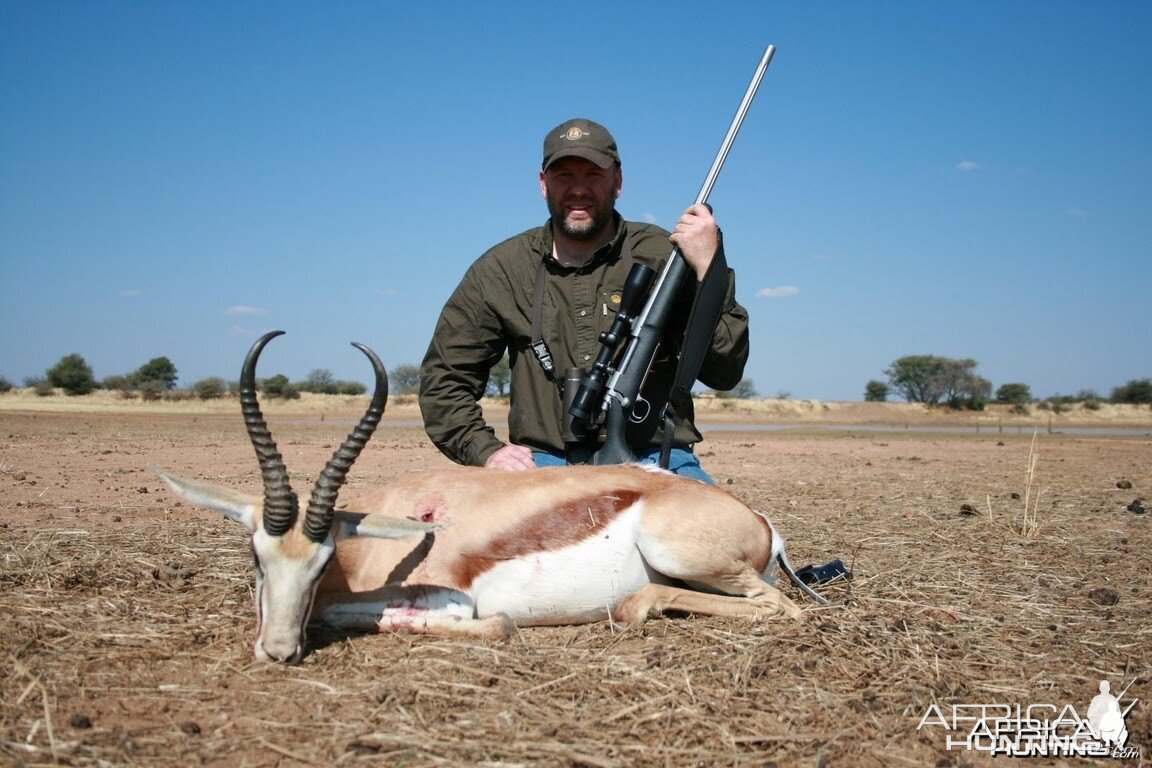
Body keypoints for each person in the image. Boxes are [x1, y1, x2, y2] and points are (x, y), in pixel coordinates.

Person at [419, 118, 749, 482]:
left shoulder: (666, 254)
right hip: (543, 463)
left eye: (593, 174)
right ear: (543, 184)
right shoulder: (501, 268)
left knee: (712, 535)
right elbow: (445, 380)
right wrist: (486, 451)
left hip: (659, 459)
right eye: (564, 176)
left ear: (617, 181)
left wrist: (709, 268)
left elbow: (724, 371)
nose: (579, 189)